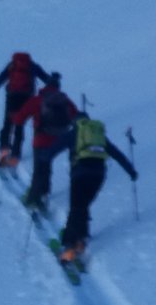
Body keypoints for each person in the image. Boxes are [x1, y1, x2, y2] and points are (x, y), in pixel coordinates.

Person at [56, 110, 137, 263]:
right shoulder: (98, 137)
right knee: (83, 205)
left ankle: (69, 247)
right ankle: (81, 240)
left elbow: (54, 148)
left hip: (80, 174)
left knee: (76, 207)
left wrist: (43, 157)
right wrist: (131, 171)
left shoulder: (75, 132)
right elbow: (117, 154)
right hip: (98, 175)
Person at [7, 75, 77, 212]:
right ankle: (44, 193)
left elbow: (20, 118)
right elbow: (76, 116)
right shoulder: (64, 100)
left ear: (46, 85)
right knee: (47, 167)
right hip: (59, 141)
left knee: (38, 170)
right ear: (58, 87)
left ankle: (32, 199)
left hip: (41, 140)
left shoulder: (37, 100)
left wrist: (14, 117)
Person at [0, 51, 56, 165]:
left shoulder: (12, 65)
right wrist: (54, 80)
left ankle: (4, 152)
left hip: (12, 97)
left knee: (7, 124)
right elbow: (46, 79)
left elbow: (0, 80)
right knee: (19, 125)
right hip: (27, 98)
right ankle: (15, 156)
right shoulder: (32, 65)